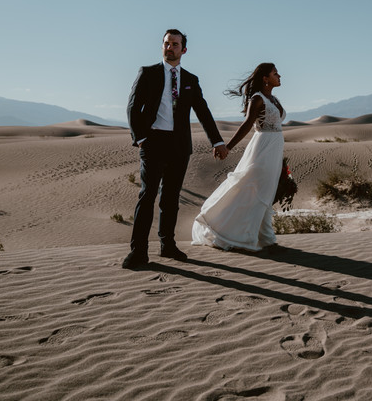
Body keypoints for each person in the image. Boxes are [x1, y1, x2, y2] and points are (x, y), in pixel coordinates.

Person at [122, 29, 229, 270]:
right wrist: (140, 138)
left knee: (170, 199)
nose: (169, 47)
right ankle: (138, 252)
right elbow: (132, 107)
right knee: (148, 195)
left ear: (184, 50)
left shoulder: (190, 79)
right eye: (166, 43)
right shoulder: (148, 73)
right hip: (153, 142)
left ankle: (167, 245)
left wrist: (217, 141)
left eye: (175, 44)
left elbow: (203, 111)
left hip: (180, 146)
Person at [192, 63, 285, 253]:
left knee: (267, 192)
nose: (279, 76)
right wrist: (227, 147)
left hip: (275, 149)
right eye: (275, 73)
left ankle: (266, 238)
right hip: (263, 148)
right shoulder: (258, 99)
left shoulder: (273, 98)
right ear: (265, 78)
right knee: (255, 190)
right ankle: (243, 234)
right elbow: (246, 125)